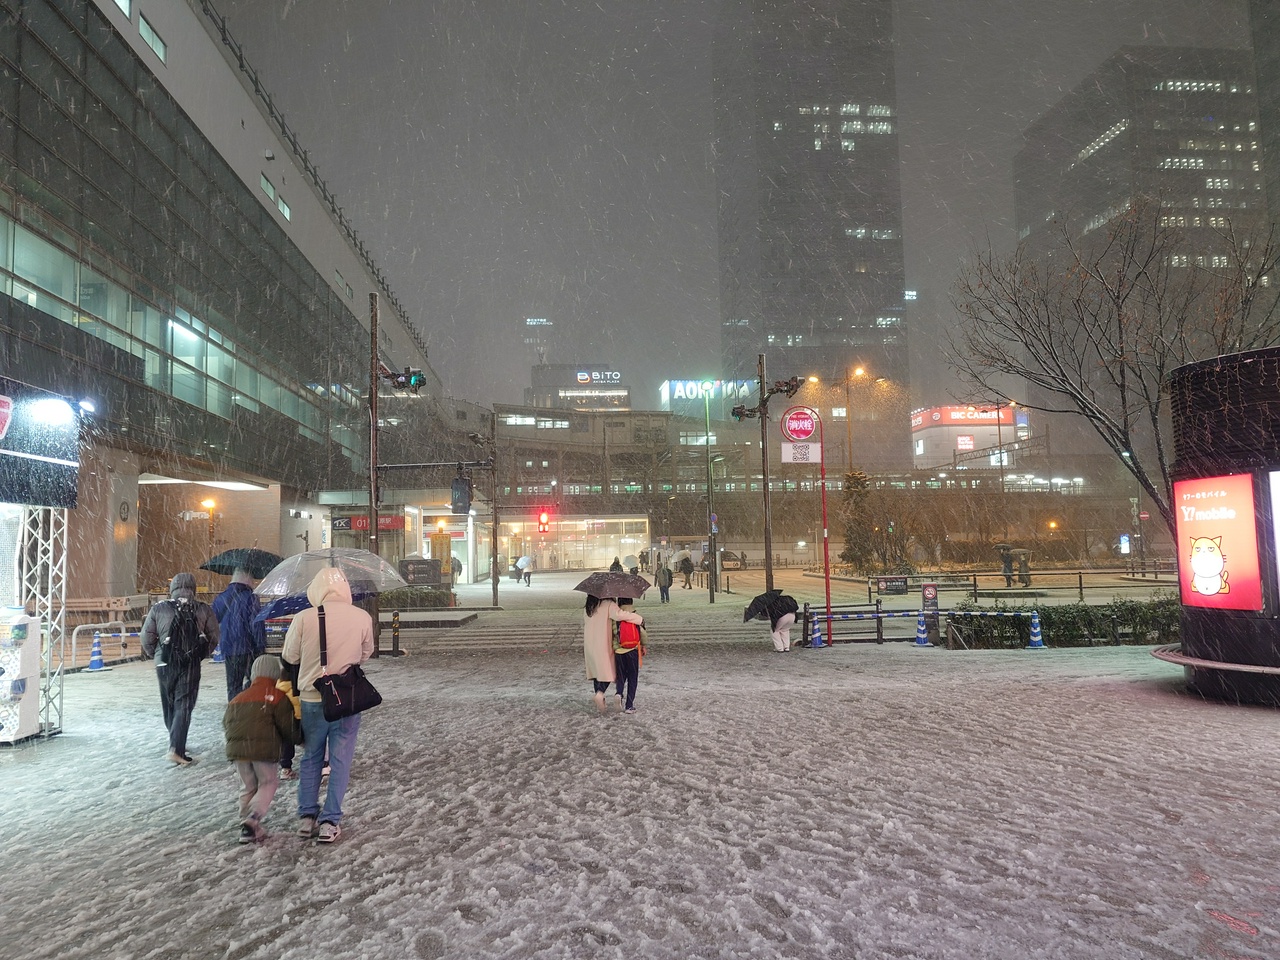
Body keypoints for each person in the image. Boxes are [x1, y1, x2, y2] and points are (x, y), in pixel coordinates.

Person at [281, 568, 375, 844]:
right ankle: (330, 820)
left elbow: (290, 656)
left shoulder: (304, 618)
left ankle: (306, 816)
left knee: (311, 757)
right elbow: (366, 652)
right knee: (340, 759)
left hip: (312, 697)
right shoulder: (361, 617)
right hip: (347, 699)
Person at [140, 572, 220, 765]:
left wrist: (158, 654)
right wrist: (200, 654)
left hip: (165, 662)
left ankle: (175, 740)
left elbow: (146, 637)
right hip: (190, 663)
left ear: (172, 588)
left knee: (169, 703)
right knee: (183, 704)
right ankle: (177, 746)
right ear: (193, 588)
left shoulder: (159, 609)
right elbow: (214, 636)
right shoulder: (203, 609)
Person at [223, 654, 297, 843]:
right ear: (275, 674)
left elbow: (226, 723)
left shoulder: (238, 698)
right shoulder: (277, 697)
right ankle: (253, 818)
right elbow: (288, 727)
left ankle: (247, 828)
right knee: (268, 782)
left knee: (248, 786)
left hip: (238, 751)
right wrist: (301, 739)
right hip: (263, 751)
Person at [582, 594, 644, 716]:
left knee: (597, 672)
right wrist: (639, 619)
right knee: (609, 671)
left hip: (590, 644)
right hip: (603, 643)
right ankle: (600, 694)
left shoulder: (588, 607)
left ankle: (600, 699)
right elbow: (621, 615)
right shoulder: (608, 605)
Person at [212, 567, 267, 700]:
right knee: (256, 680)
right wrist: (261, 645)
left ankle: (234, 709)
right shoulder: (251, 598)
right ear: (248, 579)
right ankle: (249, 705)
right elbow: (256, 624)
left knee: (233, 685)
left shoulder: (221, 598)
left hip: (230, 648)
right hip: (249, 648)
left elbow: (213, 621)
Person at [612, 598, 647, 714]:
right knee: (633, 677)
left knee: (621, 676)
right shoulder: (636, 616)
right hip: (632, 651)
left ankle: (619, 693)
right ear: (631, 602)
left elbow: (612, 634)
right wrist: (643, 645)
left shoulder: (615, 617)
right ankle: (629, 705)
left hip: (619, 652)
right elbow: (642, 633)